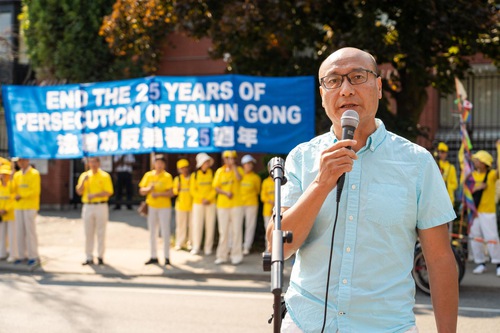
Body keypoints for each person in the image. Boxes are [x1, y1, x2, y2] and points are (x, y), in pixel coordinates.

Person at [267, 47, 458, 332]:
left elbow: (440, 259)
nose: (345, 90)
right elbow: (278, 245)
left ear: (379, 87)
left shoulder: (416, 162)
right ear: (322, 95)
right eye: (333, 81)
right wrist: (322, 183)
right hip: (306, 324)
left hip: (387, 326)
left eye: (357, 76)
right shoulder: (301, 158)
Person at [76, 157, 114, 265]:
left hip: (100, 205)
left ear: (99, 163)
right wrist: (83, 182)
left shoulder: (105, 176)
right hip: (88, 206)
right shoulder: (84, 175)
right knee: (88, 232)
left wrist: (95, 195)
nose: (93, 164)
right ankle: (89, 256)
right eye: (91, 162)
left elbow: (109, 192)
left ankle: (100, 256)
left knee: (101, 232)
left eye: (95, 162)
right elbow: (79, 191)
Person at [469, 144, 500, 277]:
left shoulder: (492, 174)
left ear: (484, 163)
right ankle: (480, 263)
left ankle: (498, 263)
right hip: (474, 212)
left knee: (492, 238)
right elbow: (465, 191)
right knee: (475, 238)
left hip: (488, 211)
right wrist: (477, 188)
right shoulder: (471, 175)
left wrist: (499, 149)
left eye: (478, 160)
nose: (475, 162)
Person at [139, 154, 174, 266]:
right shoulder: (149, 175)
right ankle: (153, 256)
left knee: (165, 231)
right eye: (157, 163)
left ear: (164, 164)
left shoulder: (167, 176)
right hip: (152, 207)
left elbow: (171, 192)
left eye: (161, 163)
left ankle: (167, 256)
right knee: (152, 232)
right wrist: (149, 189)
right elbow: (141, 190)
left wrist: (159, 194)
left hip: (164, 207)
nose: (159, 165)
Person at [213, 150, 244, 265]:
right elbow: (216, 187)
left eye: (231, 158)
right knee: (223, 231)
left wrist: (234, 166)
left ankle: (236, 255)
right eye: (226, 158)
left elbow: (239, 178)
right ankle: (222, 255)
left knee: (236, 230)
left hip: (236, 205)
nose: (228, 160)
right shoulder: (220, 171)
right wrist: (226, 193)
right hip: (222, 205)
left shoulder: (239, 169)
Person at [12, 158, 41, 267]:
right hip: (18, 206)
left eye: (23, 161)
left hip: (30, 206)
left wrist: (22, 195)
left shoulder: (34, 173)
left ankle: (33, 256)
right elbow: (13, 190)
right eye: (19, 161)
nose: (21, 163)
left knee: (30, 232)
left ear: (27, 161)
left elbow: (35, 191)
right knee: (19, 232)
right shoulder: (17, 175)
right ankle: (21, 255)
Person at [189, 153, 217, 256]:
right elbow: (192, 190)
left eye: (208, 162)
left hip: (211, 203)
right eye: (205, 162)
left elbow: (215, 188)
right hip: (198, 203)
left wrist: (208, 198)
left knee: (210, 225)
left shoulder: (213, 174)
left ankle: (208, 248)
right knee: (197, 225)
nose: (207, 164)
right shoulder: (195, 175)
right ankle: (196, 246)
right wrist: (201, 199)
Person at [240, 154, 261, 255]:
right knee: (237, 225)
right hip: (239, 204)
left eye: (251, 164)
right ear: (243, 164)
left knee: (250, 226)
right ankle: (234, 246)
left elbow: (257, 191)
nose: (250, 166)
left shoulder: (256, 178)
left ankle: (246, 246)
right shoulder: (239, 175)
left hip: (252, 204)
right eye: (248, 163)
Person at [173, 159, 193, 251]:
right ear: (179, 169)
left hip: (191, 205)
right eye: (182, 168)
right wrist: (178, 188)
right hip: (181, 205)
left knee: (191, 225)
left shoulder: (192, 177)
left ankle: (190, 243)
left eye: (185, 167)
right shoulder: (177, 179)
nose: (184, 170)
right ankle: (180, 243)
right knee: (181, 225)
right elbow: (174, 192)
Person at [0, 164, 17, 262]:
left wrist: (6, 209)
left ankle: (13, 254)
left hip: (10, 214)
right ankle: (2, 253)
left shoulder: (12, 185)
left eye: (6, 174)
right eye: (2, 174)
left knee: (11, 235)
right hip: (1, 215)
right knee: (1, 235)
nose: (4, 176)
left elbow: (13, 200)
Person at [260, 170, 275, 248]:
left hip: (279, 210)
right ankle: (268, 248)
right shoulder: (265, 181)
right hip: (267, 210)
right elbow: (262, 196)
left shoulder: (280, 180)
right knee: (268, 230)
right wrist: (270, 201)